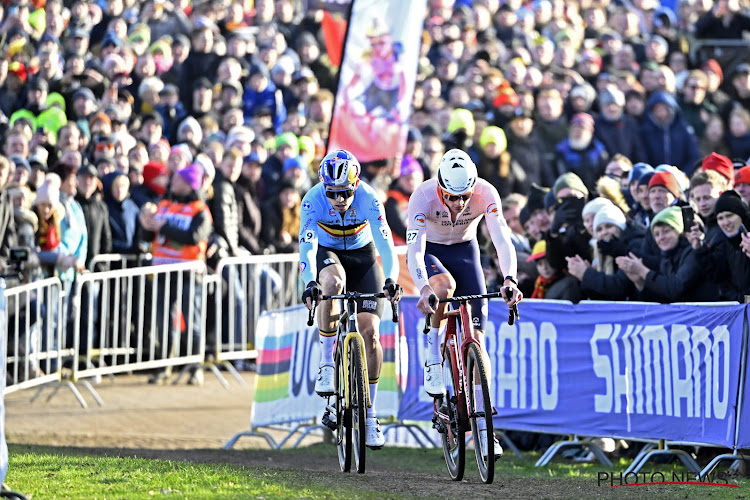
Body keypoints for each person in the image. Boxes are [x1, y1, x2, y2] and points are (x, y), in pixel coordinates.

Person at [406, 148, 522, 461]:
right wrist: (423, 287)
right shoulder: (423, 196)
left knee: (479, 344)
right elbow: (414, 250)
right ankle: (433, 354)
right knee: (444, 287)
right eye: (451, 197)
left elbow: (501, 238)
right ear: (440, 187)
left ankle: (485, 434)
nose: (458, 204)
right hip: (431, 251)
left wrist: (509, 279)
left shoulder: (487, 193)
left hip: (465, 251)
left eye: (464, 197)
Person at [299, 149, 403, 450]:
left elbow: (385, 244)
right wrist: (309, 283)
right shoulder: (312, 200)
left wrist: (391, 279)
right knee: (332, 283)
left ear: (355, 186)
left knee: (370, 333)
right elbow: (306, 248)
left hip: (363, 255)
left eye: (345, 192)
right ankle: (326, 365)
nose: (339, 199)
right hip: (328, 252)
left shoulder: (369, 198)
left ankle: (370, 416)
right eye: (332, 193)